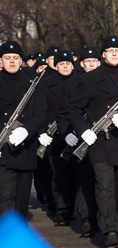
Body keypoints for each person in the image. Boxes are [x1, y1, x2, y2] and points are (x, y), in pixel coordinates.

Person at [67, 35, 118, 248]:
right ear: (103, 54)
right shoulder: (89, 79)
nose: (114, 53)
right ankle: (110, 230)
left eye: (117, 50)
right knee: (105, 187)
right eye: (109, 50)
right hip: (99, 143)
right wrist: (84, 131)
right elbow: (74, 108)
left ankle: (116, 224)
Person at [0, 41, 47, 217]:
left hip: (24, 150)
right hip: (2, 150)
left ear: (22, 61)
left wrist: (26, 130)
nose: (12, 61)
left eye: (15, 58)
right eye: (7, 58)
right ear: (1, 61)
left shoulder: (33, 85)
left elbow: (40, 114)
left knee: (21, 199)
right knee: (5, 196)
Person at [58, 45, 101, 236]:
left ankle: (102, 218)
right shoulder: (70, 85)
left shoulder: (106, 82)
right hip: (79, 138)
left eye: (95, 61)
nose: (91, 64)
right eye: (87, 62)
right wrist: (66, 133)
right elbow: (63, 113)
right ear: (81, 64)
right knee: (84, 179)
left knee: (102, 181)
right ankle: (87, 218)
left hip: (102, 140)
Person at [38, 50, 76, 225]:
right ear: (56, 65)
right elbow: (40, 111)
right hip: (53, 134)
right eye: (62, 64)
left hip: (75, 133)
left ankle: (73, 207)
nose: (65, 66)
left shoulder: (80, 82)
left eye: (68, 63)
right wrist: (43, 132)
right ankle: (61, 208)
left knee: (75, 173)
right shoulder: (45, 85)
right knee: (58, 173)